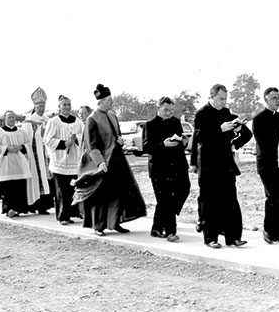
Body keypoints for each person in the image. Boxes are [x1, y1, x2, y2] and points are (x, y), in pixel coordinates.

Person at [72, 84, 147, 235]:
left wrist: (119, 141)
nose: (111, 103)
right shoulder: (92, 119)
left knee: (119, 193)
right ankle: (98, 226)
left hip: (117, 160)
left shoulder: (112, 115)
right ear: (100, 102)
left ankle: (115, 222)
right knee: (101, 195)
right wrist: (100, 162)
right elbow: (90, 144)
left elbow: (116, 135)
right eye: (109, 100)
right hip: (103, 162)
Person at [191, 84, 253, 249]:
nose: (223, 102)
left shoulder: (227, 113)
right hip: (208, 165)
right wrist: (219, 129)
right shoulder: (201, 113)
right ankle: (210, 238)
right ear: (211, 97)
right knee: (209, 202)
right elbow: (199, 137)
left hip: (226, 163)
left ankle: (233, 238)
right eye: (220, 99)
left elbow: (235, 136)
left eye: (225, 99)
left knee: (231, 200)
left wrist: (236, 133)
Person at [142, 96, 191, 242]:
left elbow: (180, 141)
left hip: (178, 166)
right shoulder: (149, 124)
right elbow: (146, 147)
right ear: (159, 108)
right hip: (159, 168)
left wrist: (183, 142)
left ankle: (157, 227)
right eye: (166, 110)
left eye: (171, 110)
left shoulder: (176, 122)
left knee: (184, 190)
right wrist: (163, 145)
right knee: (166, 200)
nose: (169, 113)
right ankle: (170, 232)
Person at [252, 87, 279, 244]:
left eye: (278, 97)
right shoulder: (259, 119)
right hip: (267, 164)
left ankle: (278, 233)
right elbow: (264, 144)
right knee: (272, 197)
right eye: (274, 98)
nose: (277, 100)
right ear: (266, 100)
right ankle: (268, 231)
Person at [44, 95, 84, 225]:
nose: (67, 107)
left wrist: (76, 138)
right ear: (59, 107)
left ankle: (73, 212)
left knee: (72, 188)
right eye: (64, 105)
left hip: (73, 159)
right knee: (61, 190)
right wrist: (63, 143)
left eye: (68, 105)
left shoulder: (77, 121)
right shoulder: (54, 121)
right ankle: (62, 216)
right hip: (59, 160)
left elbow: (84, 137)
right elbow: (48, 140)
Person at [0, 110, 31, 218]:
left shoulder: (21, 132)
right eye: (9, 117)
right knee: (8, 188)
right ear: (5, 119)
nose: (12, 119)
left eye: (13, 117)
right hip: (6, 164)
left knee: (19, 187)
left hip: (19, 164)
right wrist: (7, 148)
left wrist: (21, 147)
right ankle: (9, 209)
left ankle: (19, 208)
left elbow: (28, 144)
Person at [22, 87, 54, 214]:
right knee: (36, 179)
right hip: (35, 155)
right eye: (39, 106)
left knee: (47, 179)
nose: (41, 108)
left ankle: (44, 206)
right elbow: (26, 139)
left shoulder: (48, 120)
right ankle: (34, 205)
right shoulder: (29, 121)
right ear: (34, 107)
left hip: (46, 154)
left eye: (43, 106)